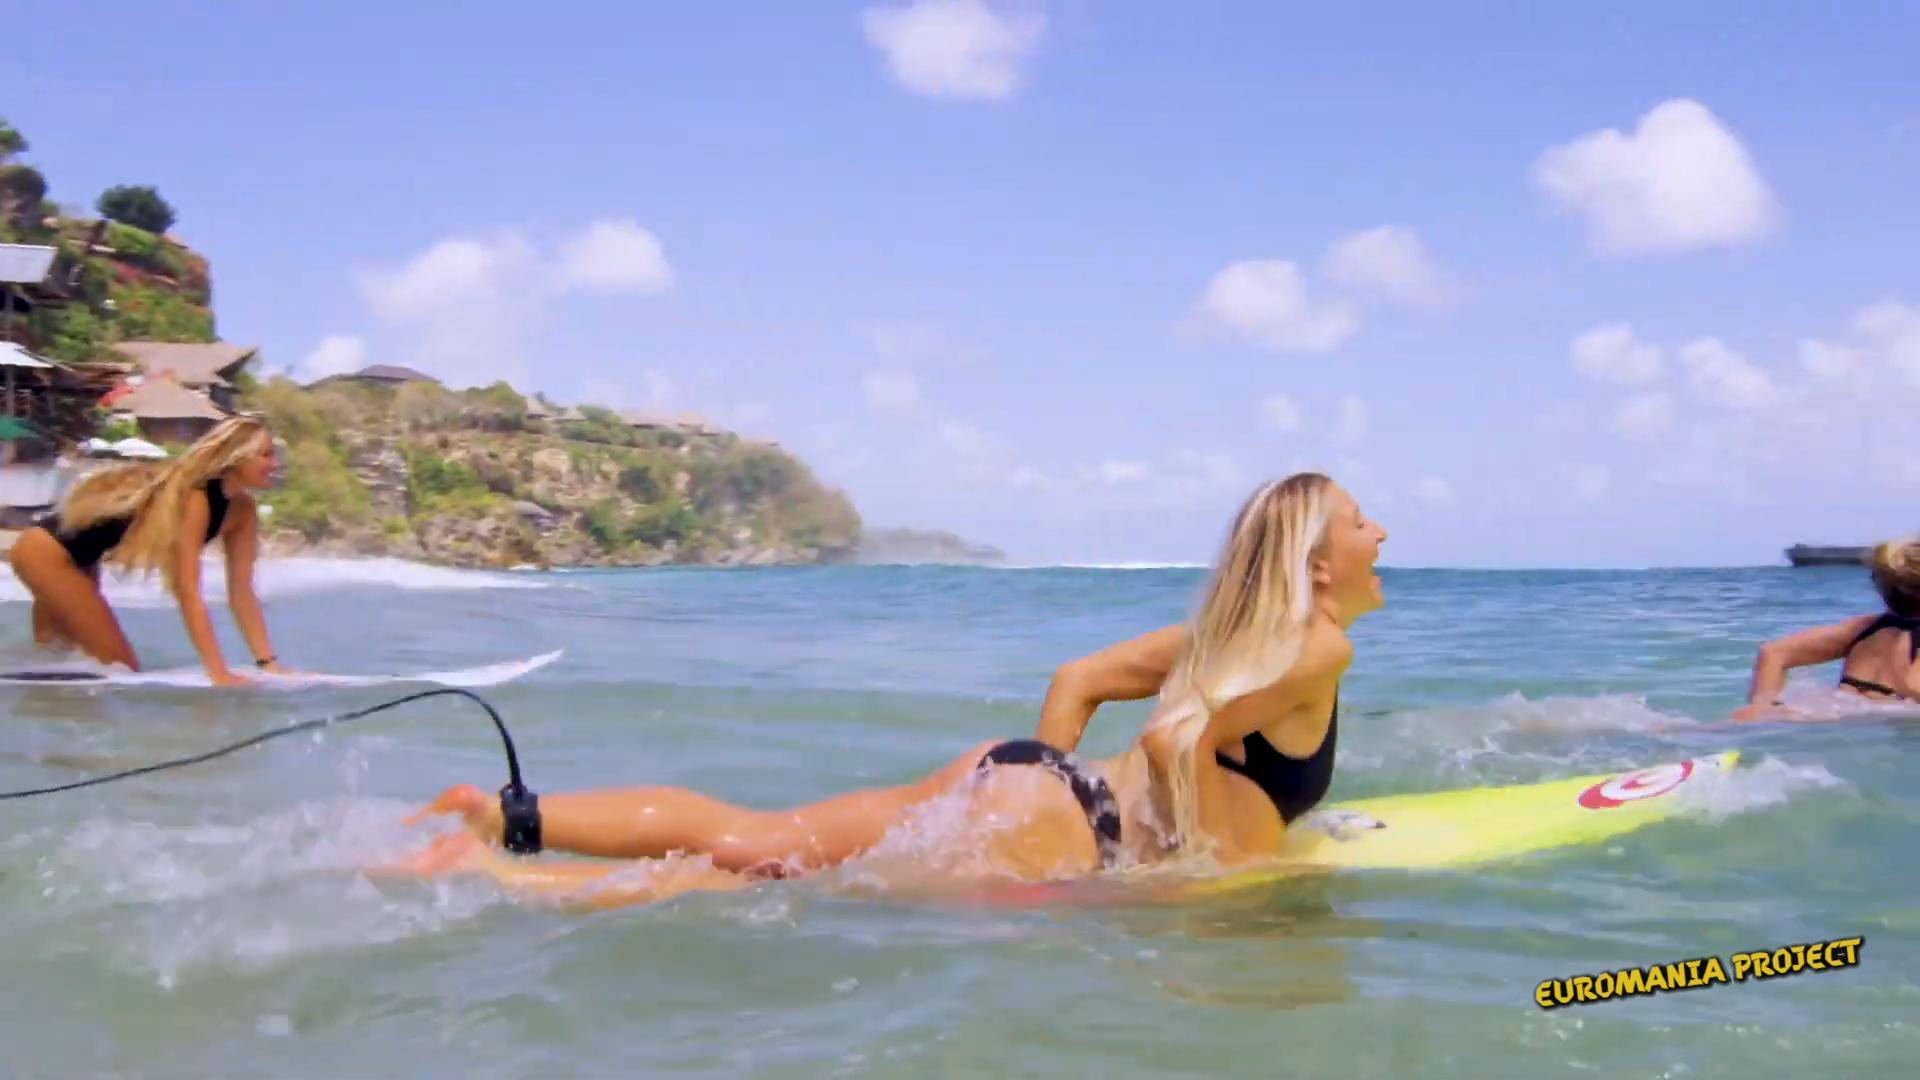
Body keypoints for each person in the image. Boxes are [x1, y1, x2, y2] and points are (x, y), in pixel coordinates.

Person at [395, 472, 1389, 908]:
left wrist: (1053, 788)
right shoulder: (1319, 647)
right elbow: (1177, 742)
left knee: (762, 837)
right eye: (1359, 521)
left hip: (1034, 783)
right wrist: (1183, 869)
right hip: (1068, 826)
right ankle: (493, 880)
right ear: (1317, 565)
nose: (1379, 531)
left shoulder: (1230, 634)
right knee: (771, 888)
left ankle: (508, 818)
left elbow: (1078, 680)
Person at [7, 415, 285, 687]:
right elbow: (188, 592)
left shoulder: (242, 510)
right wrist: (218, 673)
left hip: (79, 562)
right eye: (265, 455)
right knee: (119, 667)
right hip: (46, 555)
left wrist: (268, 664)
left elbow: (242, 592)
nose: (275, 464)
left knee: (57, 658)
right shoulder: (195, 497)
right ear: (236, 458)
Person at [1734, 537, 1920, 719]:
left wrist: (1763, 709)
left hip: (1828, 720)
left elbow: (1772, 653)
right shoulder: (1867, 629)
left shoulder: (1863, 629)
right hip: (1864, 729)